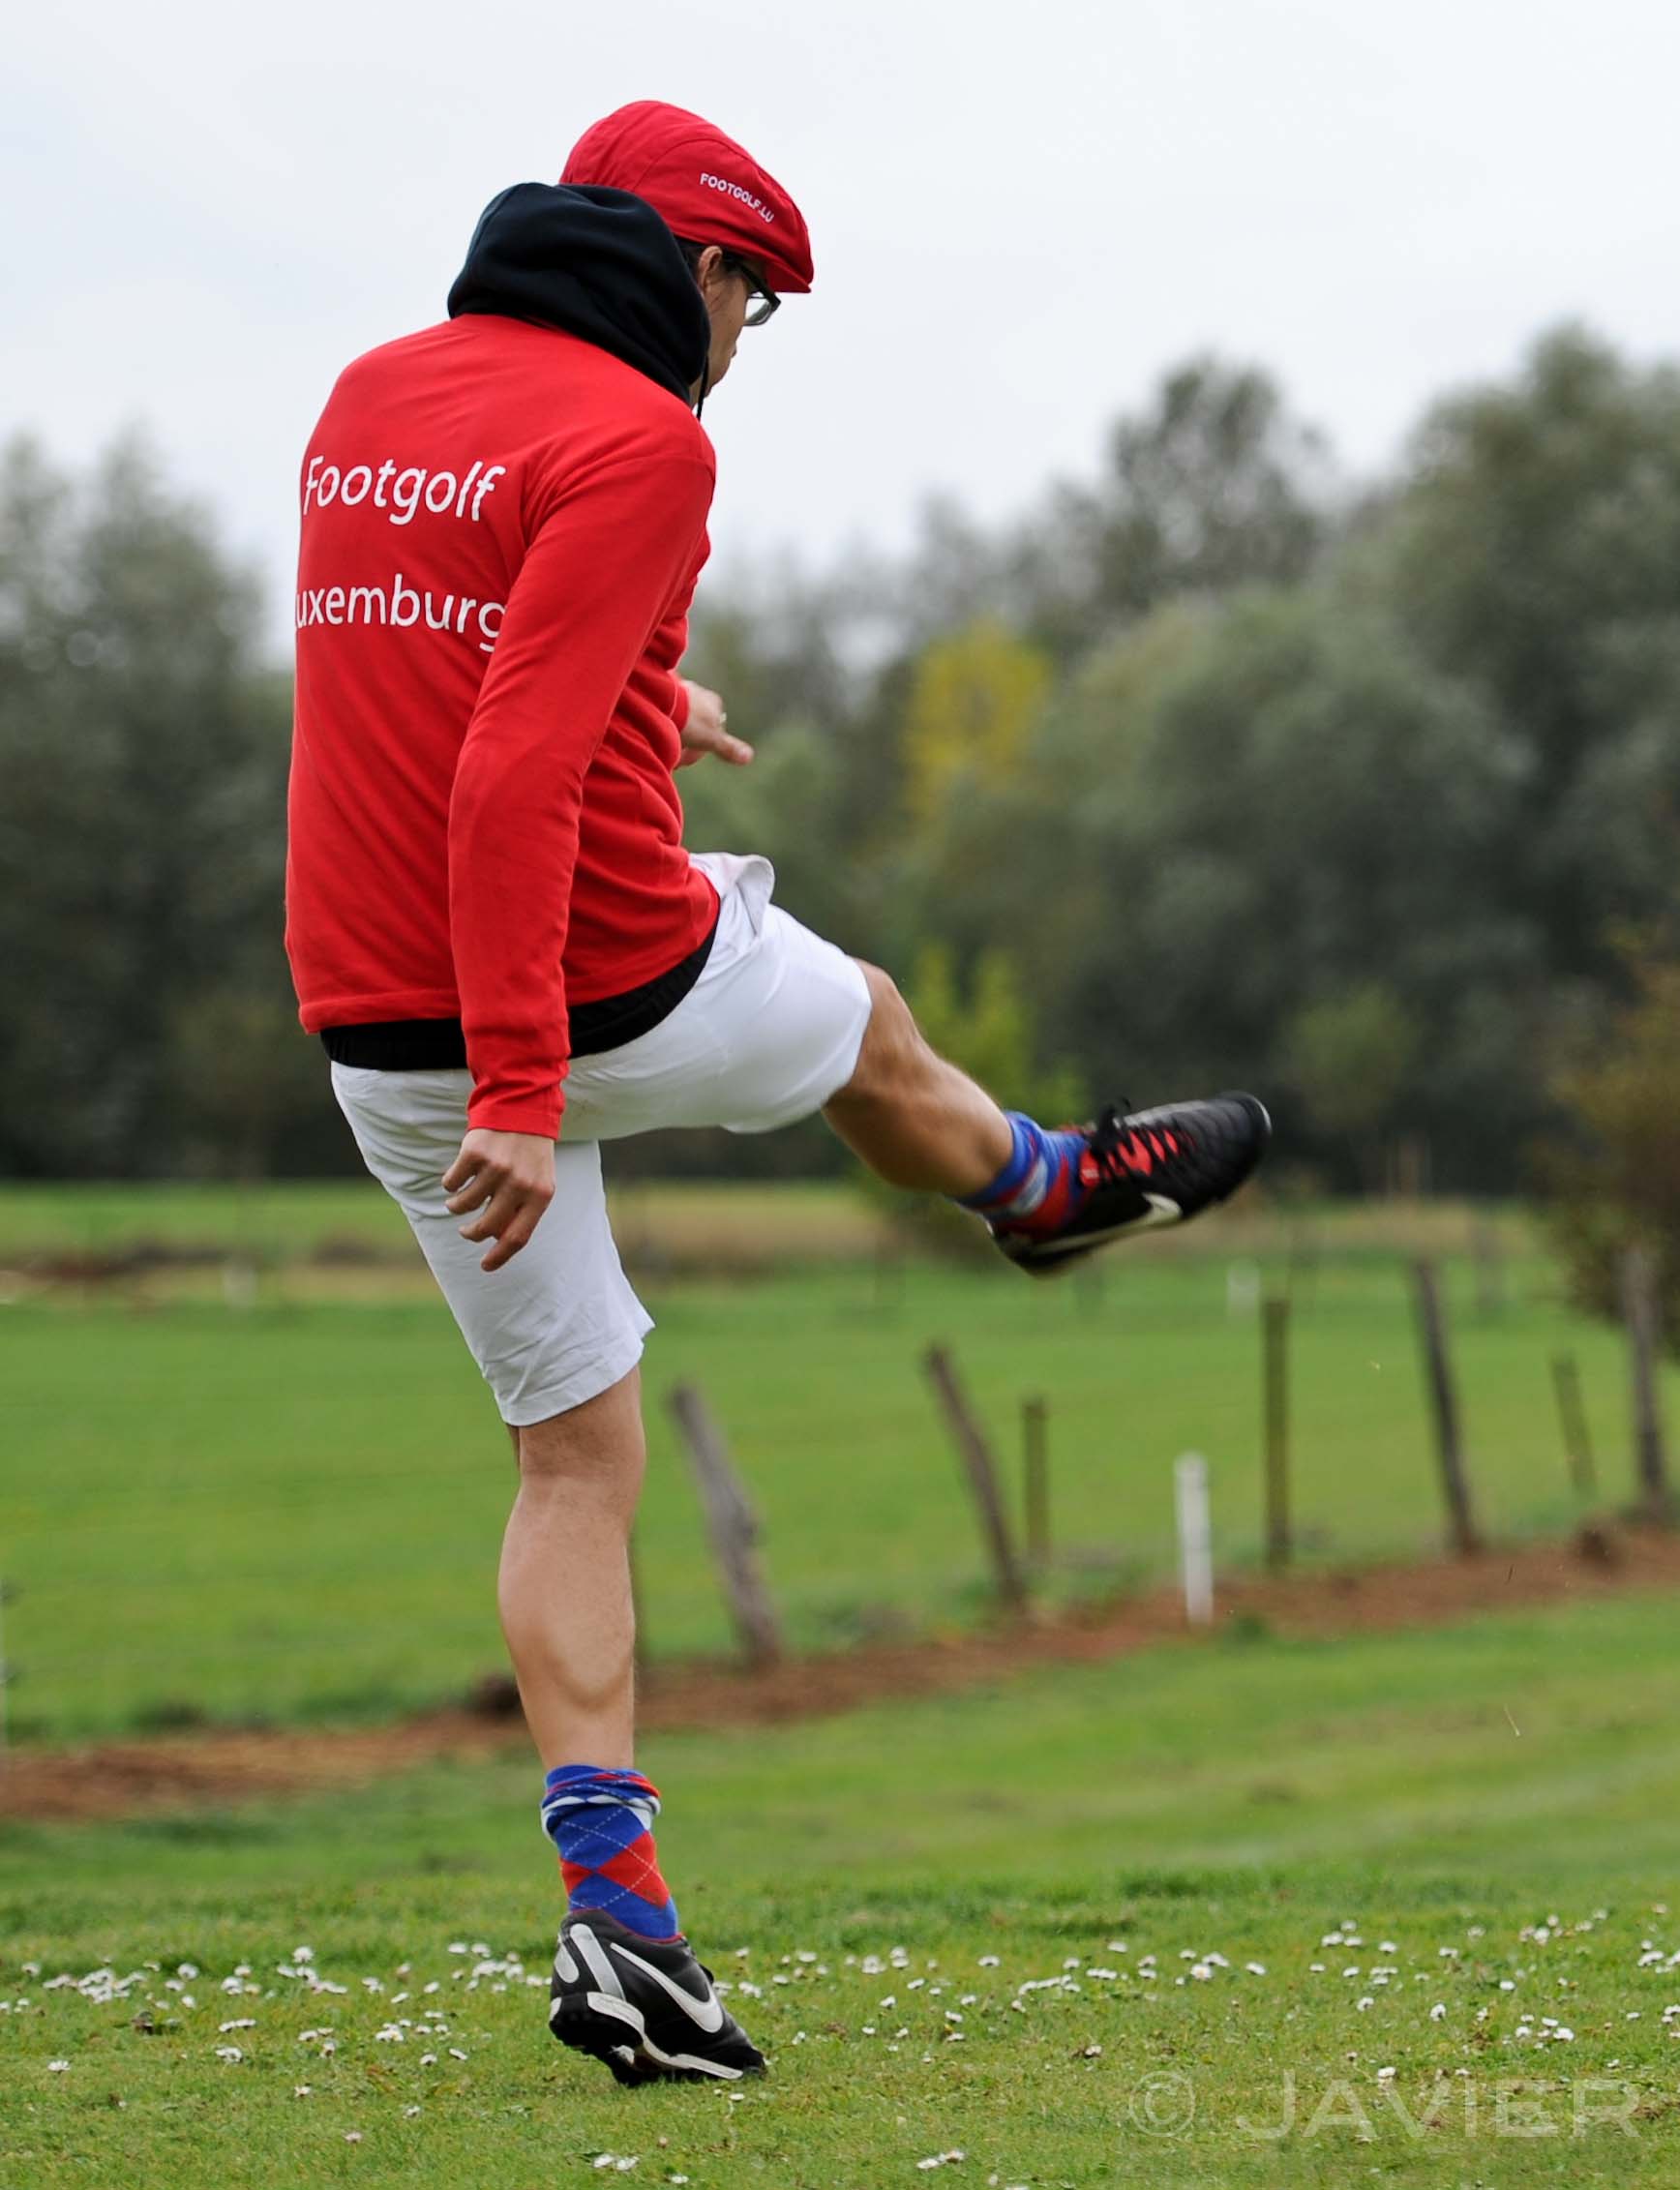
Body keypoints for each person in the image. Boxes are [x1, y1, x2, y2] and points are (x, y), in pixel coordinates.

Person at [283, 100, 1269, 2086]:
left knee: (572, 1463)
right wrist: (530, 1075)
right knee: (873, 1023)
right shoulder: (647, 436)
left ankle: (623, 1927)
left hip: (376, 1025)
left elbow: (441, 679)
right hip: (586, 992)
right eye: (756, 305)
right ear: (704, 270)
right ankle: (1042, 1188)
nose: (744, 344)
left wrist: (654, 705)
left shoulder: (371, 396)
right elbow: (509, 769)